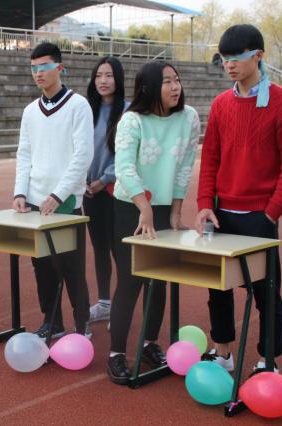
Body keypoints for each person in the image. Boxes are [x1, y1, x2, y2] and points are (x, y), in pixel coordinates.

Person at [195, 24, 282, 375]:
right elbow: (210, 158)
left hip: (260, 217)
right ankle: (223, 352)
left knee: (266, 293)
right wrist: (205, 204)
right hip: (222, 214)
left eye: (236, 58)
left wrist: (272, 212)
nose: (229, 65)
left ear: (258, 56)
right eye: (224, 59)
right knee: (218, 289)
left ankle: (267, 361)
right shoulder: (220, 104)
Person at [107, 61, 200, 385]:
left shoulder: (189, 118)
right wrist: (143, 208)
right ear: (148, 88)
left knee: (159, 281)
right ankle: (116, 353)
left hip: (161, 209)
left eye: (177, 80)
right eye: (167, 81)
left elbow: (185, 166)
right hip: (130, 207)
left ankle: (148, 344)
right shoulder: (132, 120)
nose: (175, 87)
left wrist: (175, 211)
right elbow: (124, 168)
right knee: (130, 281)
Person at [13, 42, 94, 339]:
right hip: (35, 202)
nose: (39, 73)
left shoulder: (78, 105)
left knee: (71, 267)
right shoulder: (30, 111)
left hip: (65, 202)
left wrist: (59, 194)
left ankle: (82, 324)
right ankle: (52, 321)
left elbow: (83, 155)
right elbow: (24, 153)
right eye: (34, 68)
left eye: (44, 67)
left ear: (59, 68)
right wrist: (20, 192)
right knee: (42, 267)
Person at [84, 56, 129, 325]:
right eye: (99, 75)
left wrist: (104, 179)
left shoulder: (128, 111)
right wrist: (83, 181)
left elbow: (127, 152)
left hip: (116, 191)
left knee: (119, 251)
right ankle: (104, 304)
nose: (103, 80)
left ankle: (122, 306)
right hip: (90, 192)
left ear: (118, 79)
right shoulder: (86, 109)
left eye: (109, 75)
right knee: (99, 249)